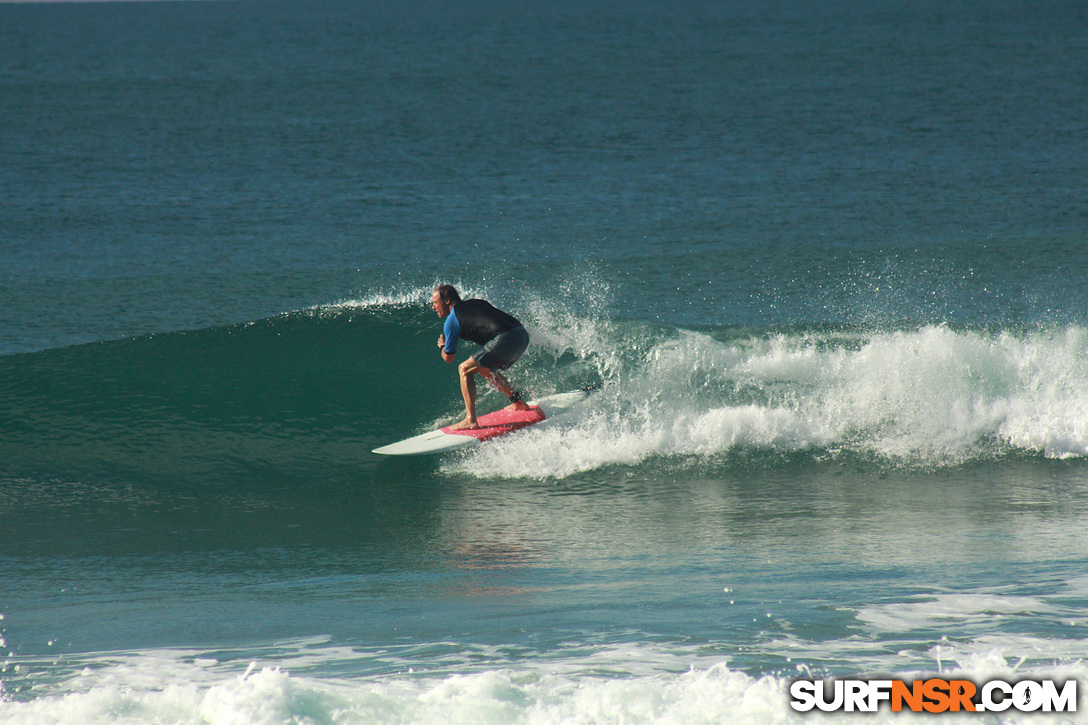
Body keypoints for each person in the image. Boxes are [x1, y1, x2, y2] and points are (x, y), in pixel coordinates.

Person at [431, 284, 531, 430]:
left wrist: (442, 345)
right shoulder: (476, 302)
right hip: (521, 334)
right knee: (483, 368)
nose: (433, 307)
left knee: (464, 369)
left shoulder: (451, 321)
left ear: (446, 301)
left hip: (505, 338)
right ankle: (518, 402)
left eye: (435, 303)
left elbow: (449, 358)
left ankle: (470, 420)